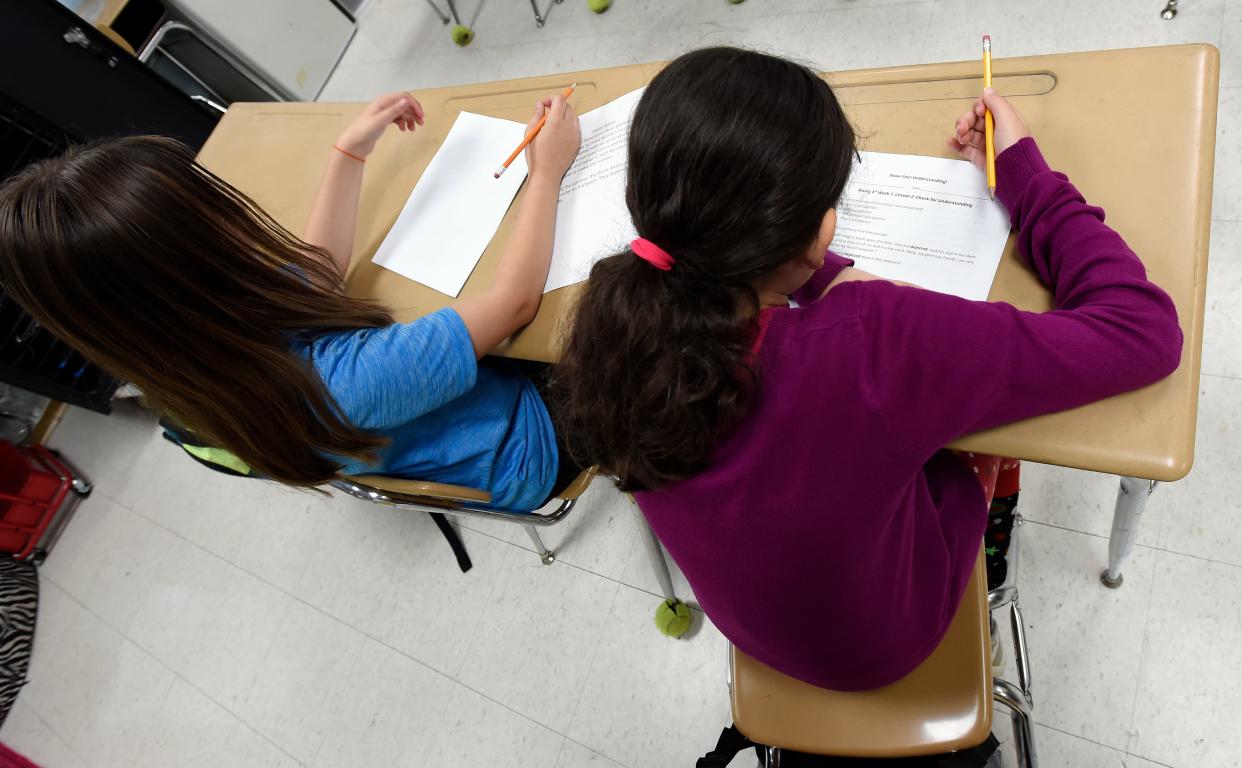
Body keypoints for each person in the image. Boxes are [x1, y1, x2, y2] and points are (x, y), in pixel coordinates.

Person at [552, 47, 1181, 690]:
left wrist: (802, 265)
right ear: (818, 232)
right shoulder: (872, 341)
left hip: (757, 633)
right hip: (886, 643)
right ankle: (988, 559)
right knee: (991, 441)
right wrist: (1027, 178)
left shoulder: (614, 329)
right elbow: (1144, 330)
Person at [0, 92, 582, 511]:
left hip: (461, 413)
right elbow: (514, 304)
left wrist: (348, 154)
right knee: (614, 300)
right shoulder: (337, 383)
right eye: (211, 216)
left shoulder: (198, 349)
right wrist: (546, 171)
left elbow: (314, 271)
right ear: (189, 269)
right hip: (534, 440)